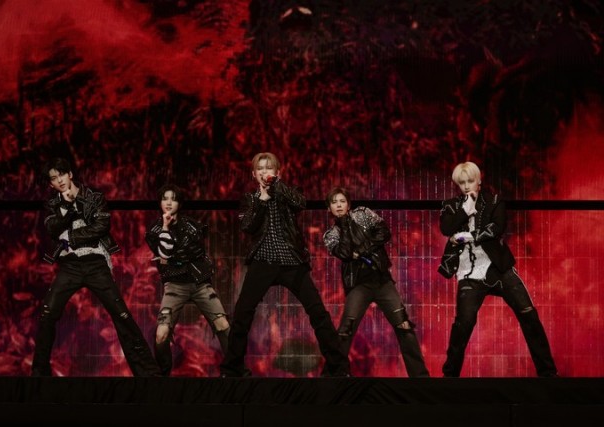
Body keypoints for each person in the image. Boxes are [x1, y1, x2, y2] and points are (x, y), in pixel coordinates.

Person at [220, 152, 350, 377]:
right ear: (254, 174)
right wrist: (262, 200)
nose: (264, 172)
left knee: (317, 313)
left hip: (292, 261)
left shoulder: (287, 192)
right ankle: (232, 369)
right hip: (263, 261)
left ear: (277, 172)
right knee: (242, 314)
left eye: (269, 168)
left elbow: (300, 203)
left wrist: (276, 187)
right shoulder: (250, 199)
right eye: (260, 169)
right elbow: (248, 226)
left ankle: (338, 368)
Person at [31, 157, 161, 377]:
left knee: (121, 315)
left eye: (61, 175)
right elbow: (52, 229)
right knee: (47, 313)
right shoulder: (52, 204)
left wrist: (71, 237)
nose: (59, 180)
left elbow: (101, 226)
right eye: (53, 178)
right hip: (70, 266)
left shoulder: (94, 197)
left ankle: (148, 373)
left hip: (95, 262)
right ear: (51, 184)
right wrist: (69, 211)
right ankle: (39, 374)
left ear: (70, 174)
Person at [437, 161, 558, 377]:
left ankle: (548, 373)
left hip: (499, 268)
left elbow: (496, 228)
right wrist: (465, 210)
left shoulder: (494, 201)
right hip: (469, 273)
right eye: (462, 183)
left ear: (479, 180)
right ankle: (450, 376)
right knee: (464, 324)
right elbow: (446, 228)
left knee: (528, 314)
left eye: (470, 181)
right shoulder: (451, 205)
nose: (466, 186)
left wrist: (466, 236)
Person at [323, 187, 430, 377]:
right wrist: (344, 224)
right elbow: (345, 253)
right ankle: (333, 377)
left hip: (382, 280)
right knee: (346, 330)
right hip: (358, 285)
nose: (338, 205)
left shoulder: (363, 214)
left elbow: (384, 232)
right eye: (334, 202)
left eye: (342, 201)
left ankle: (420, 377)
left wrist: (362, 251)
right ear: (329, 208)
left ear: (349, 204)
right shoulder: (331, 234)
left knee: (403, 325)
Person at [145, 184, 230, 376]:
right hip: (175, 286)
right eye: (165, 198)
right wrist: (166, 229)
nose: (169, 203)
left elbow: (192, 253)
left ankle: (234, 370)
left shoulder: (193, 226)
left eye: (173, 199)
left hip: (199, 282)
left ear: (180, 204)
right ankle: (164, 374)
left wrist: (171, 257)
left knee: (223, 325)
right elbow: (164, 254)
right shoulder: (154, 230)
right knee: (161, 334)